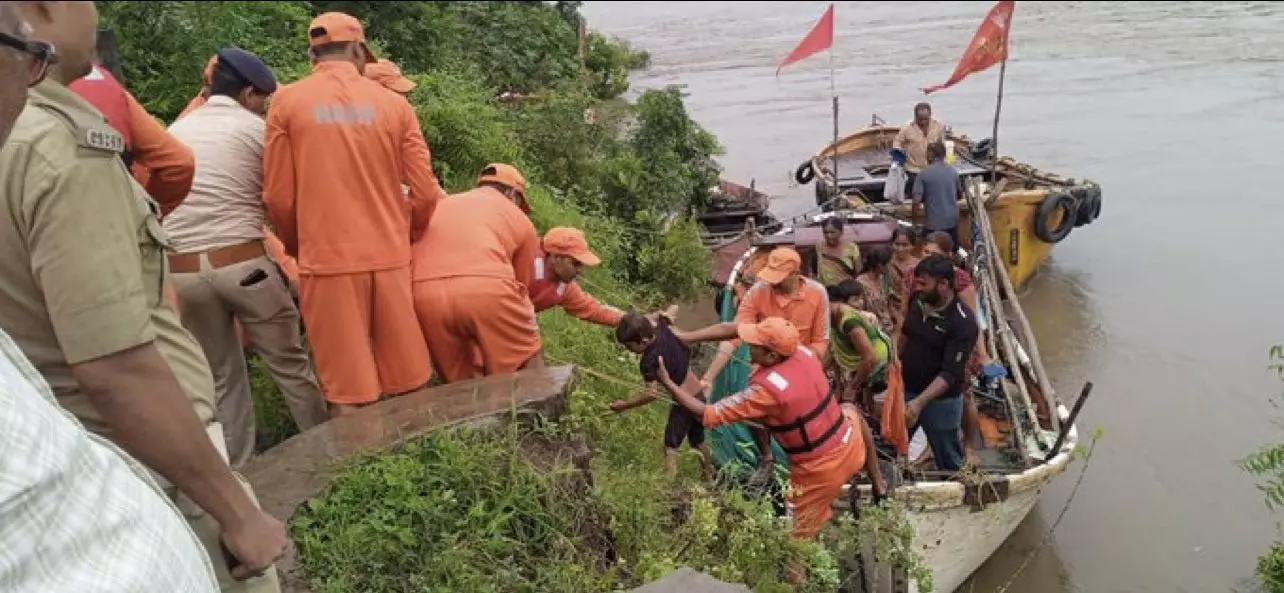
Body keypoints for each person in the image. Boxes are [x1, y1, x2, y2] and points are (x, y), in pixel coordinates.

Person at [0, 2, 287, 590]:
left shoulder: (23, 134)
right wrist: (235, 509)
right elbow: (115, 367)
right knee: (295, 367)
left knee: (231, 377)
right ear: (39, 12)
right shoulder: (64, 147)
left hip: (66, 450)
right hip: (151, 460)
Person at [264, 11, 447, 417]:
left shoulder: (286, 102)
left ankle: (360, 474)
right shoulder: (394, 106)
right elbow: (425, 192)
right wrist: (410, 232)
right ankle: (420, 472)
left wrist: (299, 247)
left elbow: (278, 197)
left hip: (325, 261)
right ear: (359, 49)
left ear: (313, 55)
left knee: (348, 391)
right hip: (389, 256)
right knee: (410, 380)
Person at [165, 47, 328, 469]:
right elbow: (280, 196)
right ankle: (327, 453)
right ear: (250, 94)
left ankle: (242, 467)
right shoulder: (256, 130)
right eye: (262, 99)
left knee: (221, 375)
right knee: (289, 363)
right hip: (243, 266)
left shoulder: (178, 128)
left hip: (180, 273)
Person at [653, 317, 887, 542]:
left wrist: (668, 383)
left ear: (771, 355)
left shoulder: (765, 393)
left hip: (819, 471)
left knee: (795, 546)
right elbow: (734, 328)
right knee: (851, 411)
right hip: (850, 444)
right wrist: (685, 337)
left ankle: (797, 579)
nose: (749, 347)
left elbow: (706, 414)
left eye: (755, 346)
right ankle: (880, 485)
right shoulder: (804, 353)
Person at [688, 246, 830, 475]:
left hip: (802, 364)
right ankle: (767, 456)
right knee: (754, 405)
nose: (773, 283)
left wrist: (804, 367)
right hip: (765, 366)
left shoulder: (817, 293)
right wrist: (708, 377)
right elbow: (735, 334)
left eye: (780, 278)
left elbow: (821, 342)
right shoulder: (758, 292)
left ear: (795, 275)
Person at [411, 163, 543, 384]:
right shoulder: (521, 221)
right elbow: (521, 286)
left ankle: (467, 417)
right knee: (528, 359)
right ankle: (538, 415)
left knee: (459, 385)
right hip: (488, 288)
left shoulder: (443, 204)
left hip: (422, 294)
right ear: (513, 193)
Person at [67, 59, 195, 218]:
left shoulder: (34, 88)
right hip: (119, 222)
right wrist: (145, 215)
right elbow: (179, 163)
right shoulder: (109, 91)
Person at [610, 310, 714, 481]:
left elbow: (652, 394)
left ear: (642, 342)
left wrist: (624, 405)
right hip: (698, 395)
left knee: (670, 446)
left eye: (630, 346)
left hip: (684, 402)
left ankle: (669, 484)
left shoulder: (649, 361)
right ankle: (708, 477)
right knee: (697, 440)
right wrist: (661, 315)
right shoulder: (662, 328)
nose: (630, 350)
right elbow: (668, 312)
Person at [899, 255, 979, 473]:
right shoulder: (918, 300)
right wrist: (894, 367)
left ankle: (955, 483)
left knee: (947, 453)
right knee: (895, 441)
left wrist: (919, 403)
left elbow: (950, 373)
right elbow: (906, 333)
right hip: (907, 387)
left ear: (944, 285)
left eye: (924, 283)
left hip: (941, 400)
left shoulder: (963, 322)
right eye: (917, 282)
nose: (918, 287)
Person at [825, 280, 891, 410]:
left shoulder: (849, 322)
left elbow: (869, 358)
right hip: (858, 365)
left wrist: (852, 386)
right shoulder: (833, 319)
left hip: (873, 364)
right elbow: (833, 352)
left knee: (860, 405)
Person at [911, 141, 964, 249]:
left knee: (931, 253)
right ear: (944, 155)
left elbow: (916, 201)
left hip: (933, 225)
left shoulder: (923, 174)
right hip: (952, 223)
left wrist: (914, 222)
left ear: (930, 156)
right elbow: (959, 195)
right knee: (951, 251)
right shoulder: (953, 172)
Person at [892, 101, 945, 193]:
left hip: (932, 167)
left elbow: (942, 144)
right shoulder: (907, 129)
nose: (923, 122)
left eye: (925, 119)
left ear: (930, 115)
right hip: (914, 169)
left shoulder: (939, 127)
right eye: (920, 119)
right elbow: (897, 141)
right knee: (916, 193)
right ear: (915, 117)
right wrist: (898, 154)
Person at [853, 245, 895, 333]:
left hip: (888, 328)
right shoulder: (861, 283)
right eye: (889, 264)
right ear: (880, 265)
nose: (891, 266)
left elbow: (890, 304)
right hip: (872, 330)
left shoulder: (884, 279)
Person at [816, 217, 860, 287]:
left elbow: (858, 272)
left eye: (832, 232)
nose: (829, 236)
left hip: (846, 291)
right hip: (827, 291)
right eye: (826, 232)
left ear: (841, 232)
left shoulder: (852, 248)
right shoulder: (819, 247)